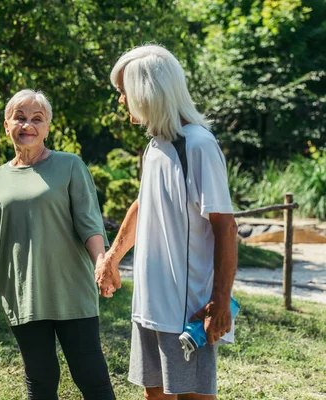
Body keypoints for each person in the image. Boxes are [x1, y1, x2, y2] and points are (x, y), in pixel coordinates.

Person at [96, 45, 239, 399]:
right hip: (149, 305)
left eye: (124, 92)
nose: (121, 101)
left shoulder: (199, 145)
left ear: (146, 90)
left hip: (186, 309)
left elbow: (226, 228)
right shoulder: (156, 145)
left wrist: (221, 302)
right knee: (154, 395)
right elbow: (144, 206)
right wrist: (113, 257)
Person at [0, 89, 116, 400]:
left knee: (92, 378)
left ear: (48, 127)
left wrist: (102, 262)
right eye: (19, 118)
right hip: (24, 295)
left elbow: (90, 224)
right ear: (6, 125)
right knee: (40, 380)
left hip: (72, 290)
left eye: (37, 118)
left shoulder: (70, 166)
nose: (27, 125)